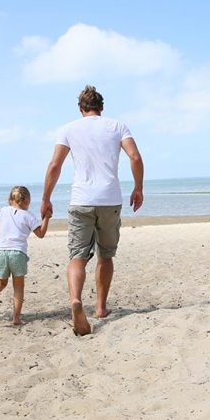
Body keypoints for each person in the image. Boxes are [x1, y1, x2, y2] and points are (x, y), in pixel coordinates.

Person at [41, 85, 144, 336]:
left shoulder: (68, 129)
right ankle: (100, 307)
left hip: (81, 199)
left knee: (77, 256)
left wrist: (46, 198)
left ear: (81, 109)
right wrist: (138, 188)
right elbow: (135, 157)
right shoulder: (118, 126)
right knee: (105, 256)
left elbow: (55, 165)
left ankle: (76, 300)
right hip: (110, 199)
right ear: (102, 107)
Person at [0, 186, 51, 325]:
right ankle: (16, 318)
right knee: (18, 287)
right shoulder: (28, 215)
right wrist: (47, 218)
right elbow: (41, 234)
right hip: (18, 253)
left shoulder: (2, 212)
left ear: (10, 199)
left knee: (1, 282)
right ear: (27, 201)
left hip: (0, 252)